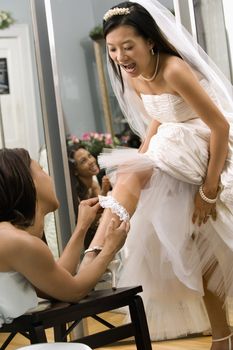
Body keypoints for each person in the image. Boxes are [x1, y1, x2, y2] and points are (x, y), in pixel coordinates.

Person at [81, 1, 233, 349]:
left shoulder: (175, 69)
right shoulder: (132, 75)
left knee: (135, 178)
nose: (120, 56)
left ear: (150, 41)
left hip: (209, 143)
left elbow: (220, 127)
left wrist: (210, 190)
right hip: (174, 144)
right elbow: (158, 115)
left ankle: (92, 260)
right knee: (200, 247)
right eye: (113, 49)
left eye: (127, 46)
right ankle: (222, 337)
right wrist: (142, 153)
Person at [0, 147, 129, 327]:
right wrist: (110, 248)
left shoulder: (11, 238)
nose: (51, 178)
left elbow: (56, 283)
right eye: (43, 171)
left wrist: (82, 226)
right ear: (30, 183)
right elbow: (74, 291)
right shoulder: (18, 242)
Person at [68, 143, 111, 248]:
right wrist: (104, 192)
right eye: (83, 161)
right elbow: (89, 223)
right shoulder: (75, 195)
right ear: (76, 171)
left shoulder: (94, 184)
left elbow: (102, 211)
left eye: (89, 156)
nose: (91, 161)